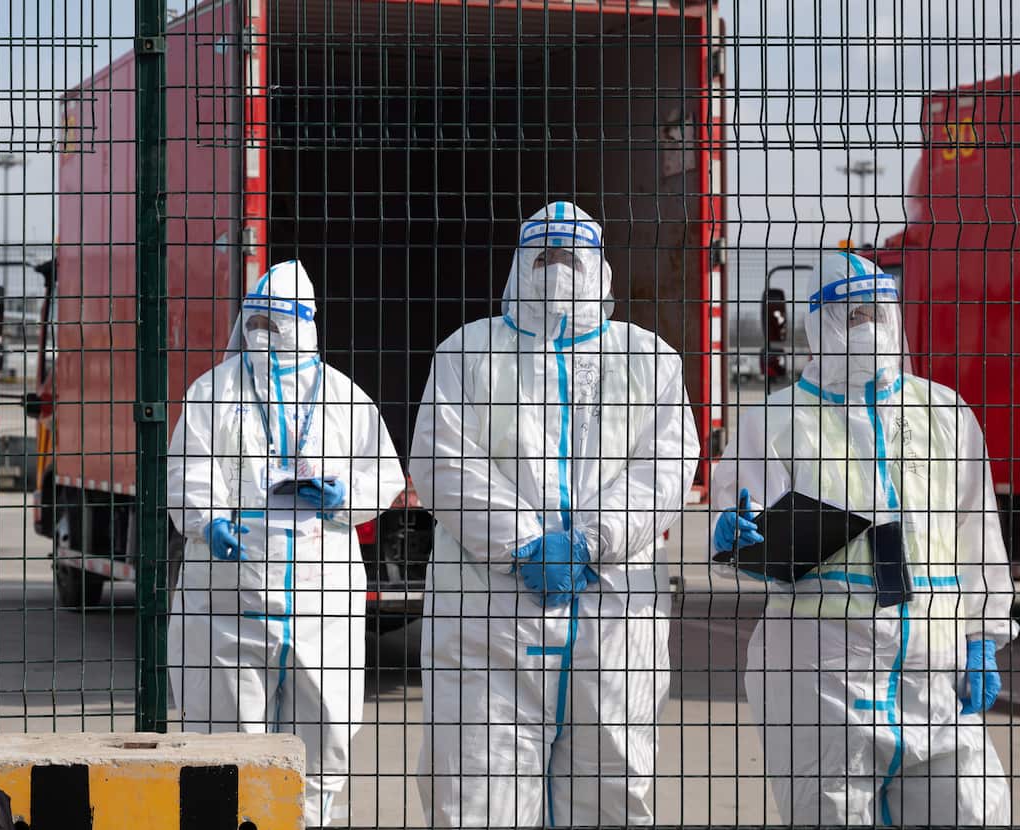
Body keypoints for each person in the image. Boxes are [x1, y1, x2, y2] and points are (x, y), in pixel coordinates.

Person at [411, 201, 700, 826]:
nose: (556, 270)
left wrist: (592, 540)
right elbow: (441, 461)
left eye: (572, 257)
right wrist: (523, 542)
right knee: (475, 793)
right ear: (520, 266)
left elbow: (669, 464)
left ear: (600, 268)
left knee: (614, 792)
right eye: (543, 257)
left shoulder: (649, 359)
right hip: (488, 621)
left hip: (614, 621)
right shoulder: (469, 351)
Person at [712, 250, 1017, 825]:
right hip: (823, 673)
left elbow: (979, 532)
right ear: (817, 323)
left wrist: (984, 636)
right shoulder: (773, 420)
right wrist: (733, 536)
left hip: (937, 672)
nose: (871, 326)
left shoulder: (943, 413)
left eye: (881, 310)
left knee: (975, 814)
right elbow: (741, 532)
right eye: (853, 315)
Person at [166, 260, 405, 827]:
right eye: (257, 320)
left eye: (280, 322)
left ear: (308, 323)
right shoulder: (214, 391)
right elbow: (187, 468)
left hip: (322, 601)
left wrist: (344, 496)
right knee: (224, 748)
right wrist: (207, 521)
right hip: (228, 597)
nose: (265, 333)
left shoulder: (344, 397)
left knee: (324, 741)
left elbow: (386, 475)